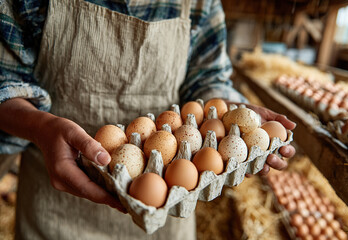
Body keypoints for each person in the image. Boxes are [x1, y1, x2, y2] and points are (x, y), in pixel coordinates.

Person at [0, 0, 296, 239]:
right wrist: (41, 127)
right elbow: (5, 80)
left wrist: (226, 113)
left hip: (168, 211)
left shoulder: (200, 3)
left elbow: (207, 79)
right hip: (58, 206)